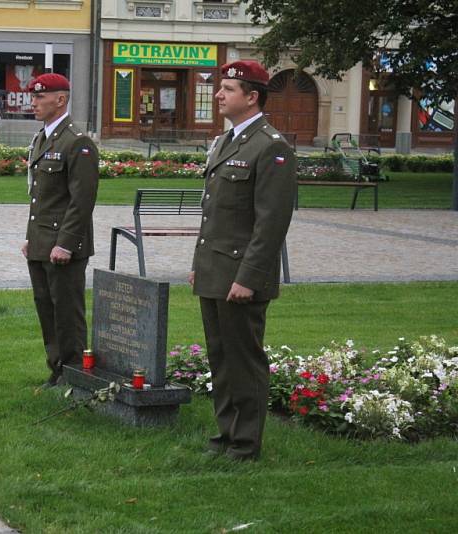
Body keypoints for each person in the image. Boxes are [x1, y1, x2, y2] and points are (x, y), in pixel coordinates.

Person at [189, 60, 297, 460]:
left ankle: (245, 443)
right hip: (215, 269)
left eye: (229, 88)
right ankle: (225, 434)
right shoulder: (224, 142)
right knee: (220, 358)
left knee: (244, 361)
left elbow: (270, 224)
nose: (219, 94)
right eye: (221, 87)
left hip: (241, 275)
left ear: (252, 97)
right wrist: (200, 265)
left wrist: (248, 277)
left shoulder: (271, 146)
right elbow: (215, 215)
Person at [21, 73, 99, 389]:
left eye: (40, 97)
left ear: (61, 99)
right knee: (46, 309)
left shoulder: (76, 141)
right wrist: (31, 237)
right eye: (33, 96)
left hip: (63, 246)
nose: (33, 102)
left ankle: (74, 373)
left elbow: (81, 200)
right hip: (41, 241)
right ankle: (57, 369)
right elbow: (41, 196)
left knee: (66, 312)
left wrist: (65, 244)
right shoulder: (43, 138)